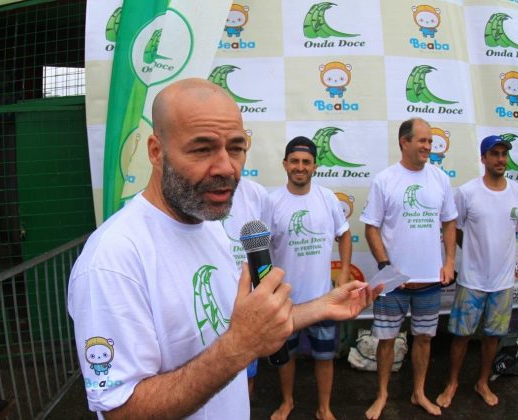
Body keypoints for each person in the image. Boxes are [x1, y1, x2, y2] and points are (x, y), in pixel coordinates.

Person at [68, 78, 381, 419]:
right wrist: (240, 346)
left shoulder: (209, 226)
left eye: (235, 148)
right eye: (202, 149)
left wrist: (321, 307)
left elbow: (234, 327)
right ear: (156, 152)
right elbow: (120, 411)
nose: (226, 168)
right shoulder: (113, 260)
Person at [360, 117, 457, 419]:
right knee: (386, 340)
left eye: (430, 141)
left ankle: (418, 393)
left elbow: (450, 222)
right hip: (393, 283)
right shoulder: (385, 180)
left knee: (425, 338)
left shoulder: (440, 178)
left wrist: (450, 261)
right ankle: (382, 395)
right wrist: (386, 267)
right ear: (404, 142)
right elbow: (371, 229)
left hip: (430, 279)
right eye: (423, 141)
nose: (428, 146)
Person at [436, 135, 518, 408]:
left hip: (502, 284)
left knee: (492, 337)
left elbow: (515, 231)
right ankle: (452, 382)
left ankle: (482, 382)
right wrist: (474, 255)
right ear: (483, 158)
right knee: (461, 336)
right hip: (472, 280)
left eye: (503, 154)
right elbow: (455, 230)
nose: (500, 159)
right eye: (494, 154)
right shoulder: (467, 192)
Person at [268, 136, 352, 420]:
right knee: (285, 357)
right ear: (285, 164)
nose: (300, 167)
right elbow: (261, 251)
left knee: (325, 358)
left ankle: (324, 408)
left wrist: (343, 273)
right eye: (294, 161)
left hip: (323, 300)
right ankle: (287, 402)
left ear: (315, 166)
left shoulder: (327, 198)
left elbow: (345, 234)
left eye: (306, 162)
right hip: (285, 301)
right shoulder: (272, 202)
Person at [221, 176, 270, 396]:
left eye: (237, 148)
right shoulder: (194, 192)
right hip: (211, 303)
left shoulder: (257, 193)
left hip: (246, 306)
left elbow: (266, 240)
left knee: (247, 375)